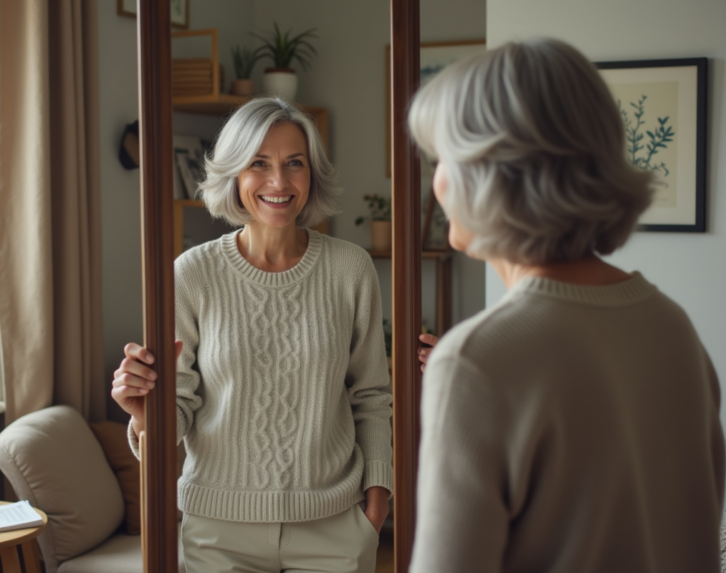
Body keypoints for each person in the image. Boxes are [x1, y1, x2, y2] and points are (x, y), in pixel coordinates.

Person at [407, 38, 725, 572]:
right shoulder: (669, 324)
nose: (435, 181)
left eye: (442, 158)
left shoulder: (477, 359)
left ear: (490, 172)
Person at [111, 97, 392, 573]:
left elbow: (371, 395)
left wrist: (377, 499)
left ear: (311, 174)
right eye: (259, 163)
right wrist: (144, 416)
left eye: (294, 164)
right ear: (235, 176)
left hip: (333, 526)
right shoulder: (191, 274)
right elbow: (176, 411)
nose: (279, 182)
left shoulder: (351, 269)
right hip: (219, 529)